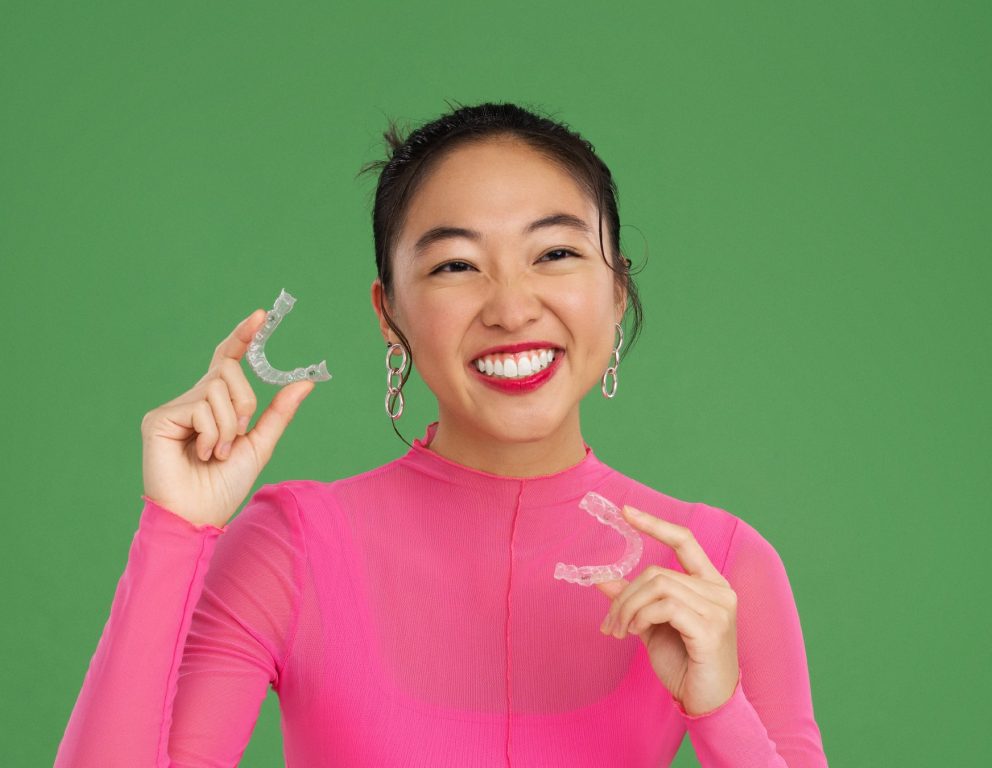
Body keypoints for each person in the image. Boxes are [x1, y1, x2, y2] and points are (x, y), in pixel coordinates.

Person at [55, 102, 829, 767]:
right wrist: (176, 530)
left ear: (617, 290)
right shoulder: (290, 547)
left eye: (555, 253)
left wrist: (720, 711)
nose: (511, 306)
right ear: (389, 314)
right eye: (456, 265)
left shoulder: (719, 570)